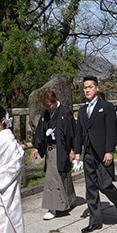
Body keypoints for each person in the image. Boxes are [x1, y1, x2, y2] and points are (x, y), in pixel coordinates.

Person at [75, 75, 117, 233]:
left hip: (103, 152)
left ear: (97, 88)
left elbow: (111, 130)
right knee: (91, 188)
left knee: (105, 185)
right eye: (85, 87)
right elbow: (79, 132)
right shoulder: (82, 110)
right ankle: (95, 221)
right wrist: (77, 152)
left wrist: (109, 151)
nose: (87, 90)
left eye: (90, 87)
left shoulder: (107, 106)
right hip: (88, 152)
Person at [30, 89, 75, 220]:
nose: (48, 108)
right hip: (51, 149)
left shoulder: (65, 113)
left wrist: (72, 150)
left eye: (50, 105)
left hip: (62, 148)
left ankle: (54, 207)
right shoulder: (46, 113)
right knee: (60, 175)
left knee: (55, 177)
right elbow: (40, 130)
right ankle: (68, 200)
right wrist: (36, 147)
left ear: (55, 101)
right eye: (46, 106)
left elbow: (72, 132)